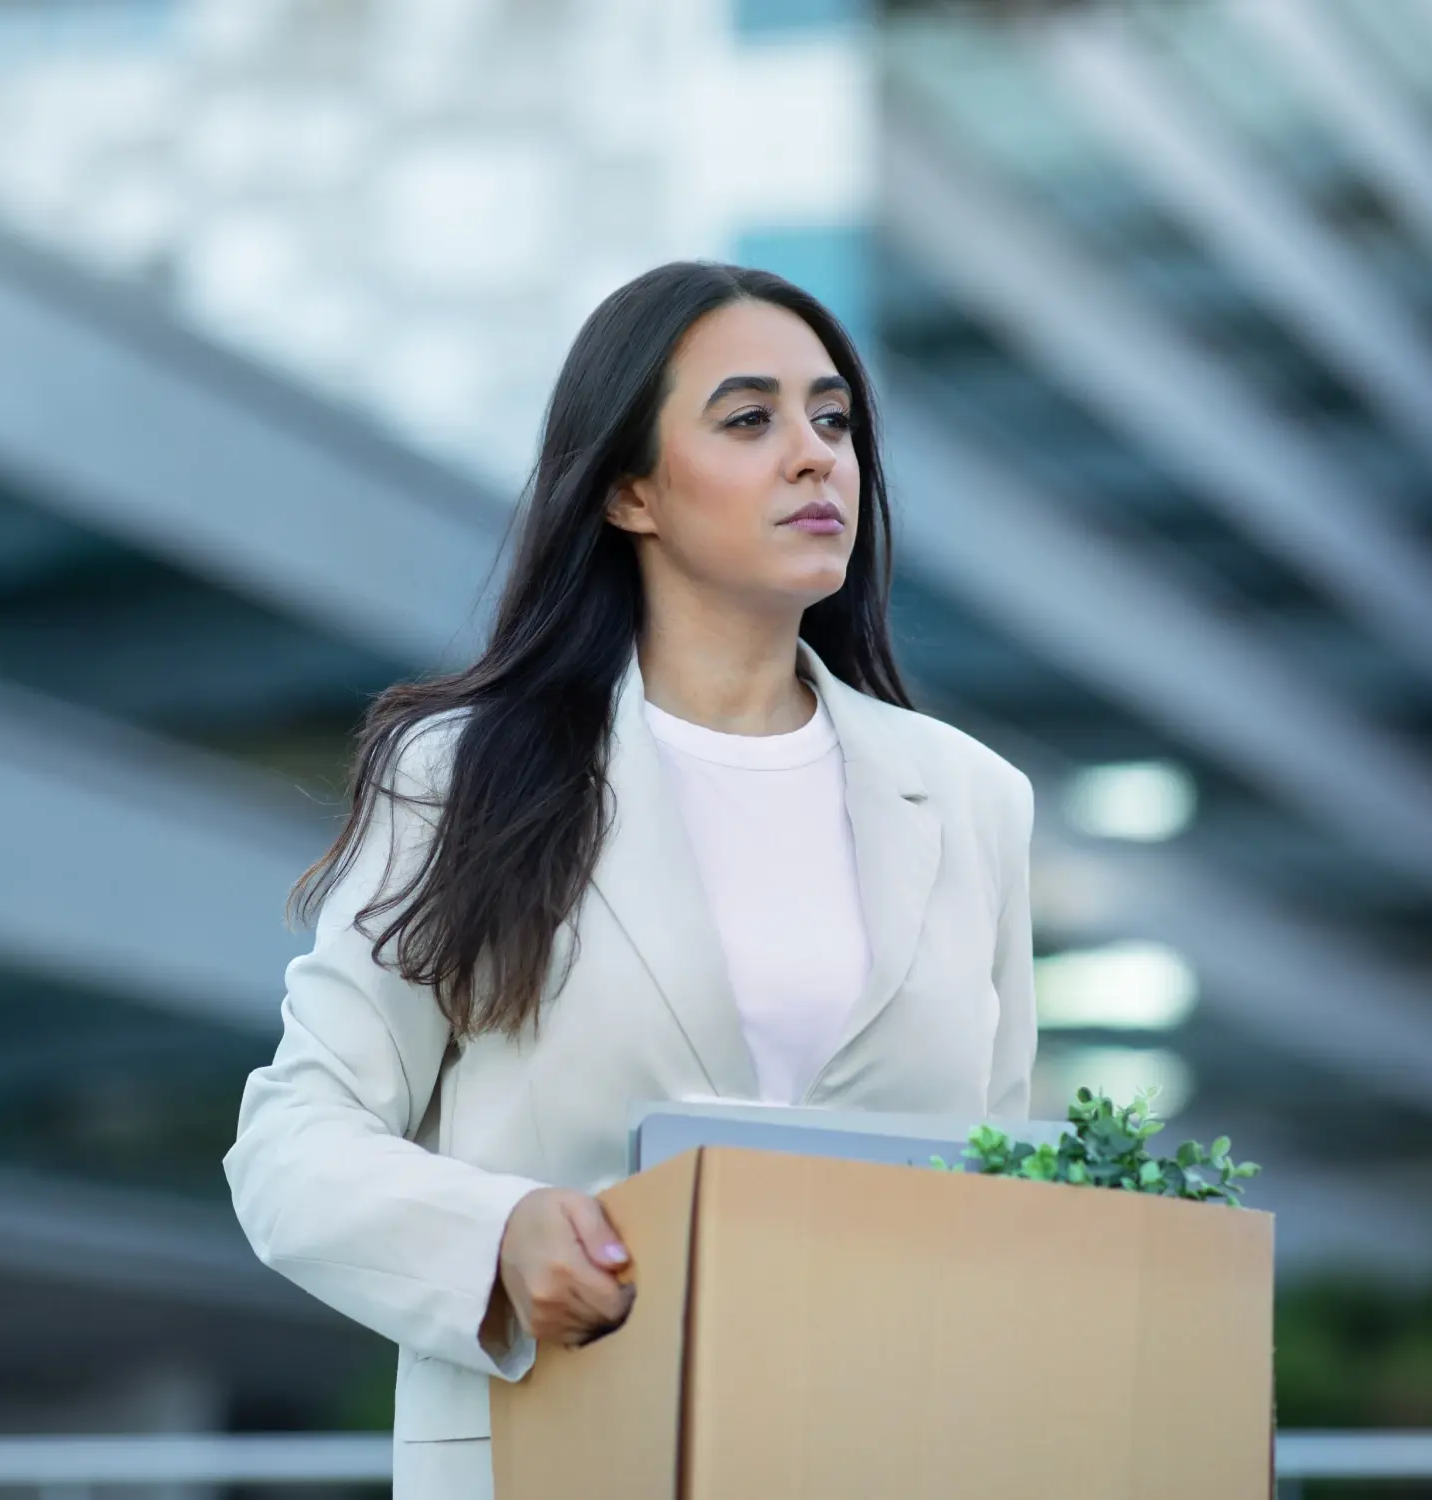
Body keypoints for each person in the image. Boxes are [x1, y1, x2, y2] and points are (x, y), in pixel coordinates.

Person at [224, 261, 1036, 1500]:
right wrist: (494, 1238)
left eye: (833, 419)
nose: (816, 456)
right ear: (629, 491)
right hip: (560, 1458)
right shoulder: (465, 776)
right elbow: (289, 1143)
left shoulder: (973, 799)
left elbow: (1004, 1189)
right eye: (750, 419)